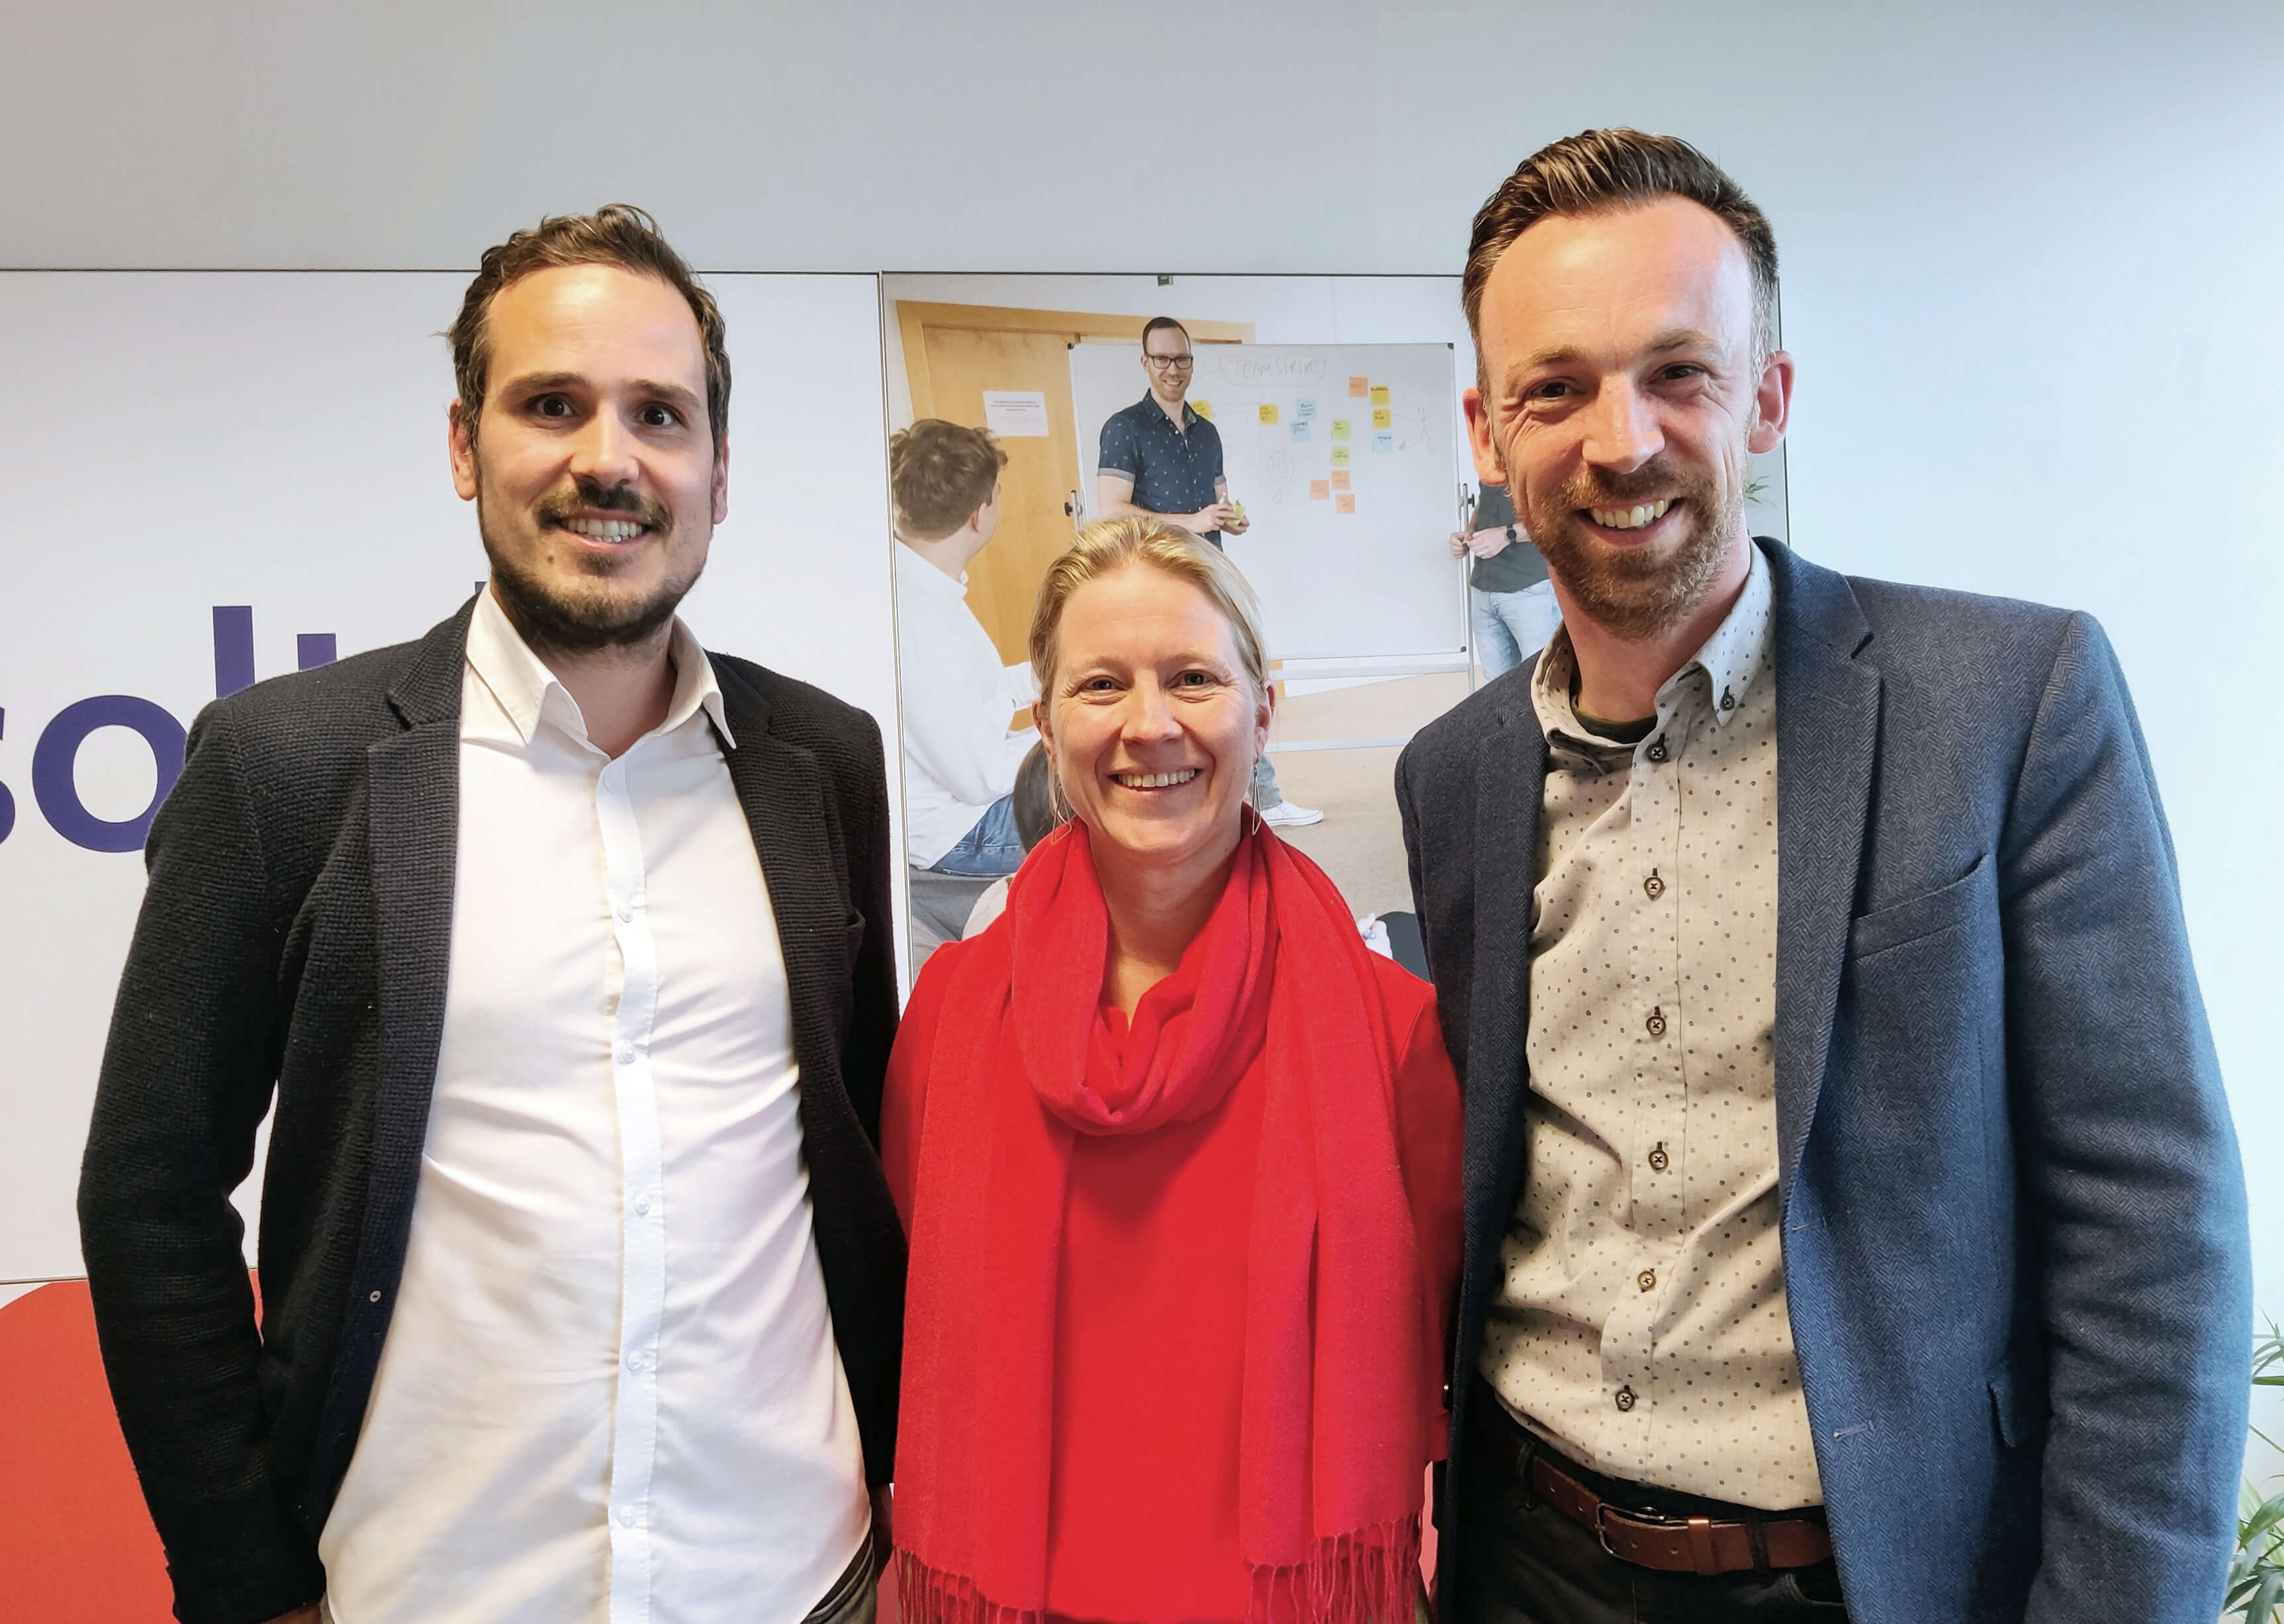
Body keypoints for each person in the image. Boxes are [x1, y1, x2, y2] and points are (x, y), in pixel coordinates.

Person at [1396, 130, 2248, 1623]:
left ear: (1769, 400)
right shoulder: (1452, 775)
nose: (1621, 438)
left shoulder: (2008, 699)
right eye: (1557, 387)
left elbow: (2152, 1247)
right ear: (1486, 428)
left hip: (1868, 1578)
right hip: (1526, 1562)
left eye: (1679, 373)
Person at [77, 206, 905, 1624]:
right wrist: (244, 1577)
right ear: (465, 445)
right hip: (424, 1589)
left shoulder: (822, 761)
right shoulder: (290, 767)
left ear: (718, 469)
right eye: (550, 405)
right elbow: (149, 1194)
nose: (609, 459)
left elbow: (861, 1136)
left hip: (799, 1574)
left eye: (661, 414)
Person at [882, 516, 1462, 1624]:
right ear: (1048, 730)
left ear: (1262, 710)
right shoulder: (954, 1018)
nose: (1150, 725)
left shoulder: (1396, 1038)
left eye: (1193, 677)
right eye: (1101, 684)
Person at [1097, 316, 1322, 827]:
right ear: (1145, 364)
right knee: (1181, 690)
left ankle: (1261, 796)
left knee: (1235, 679)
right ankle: (1194, 798)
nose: (1173, 369)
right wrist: (1190, 522)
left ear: (1192, 363)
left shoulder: (1207, 432)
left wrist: (1228, 518)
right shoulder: (1124, 427)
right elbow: (1111, 507)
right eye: (1162, 359)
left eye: (1182, 359)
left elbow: (1217, 500)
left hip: (1209, 576)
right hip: (1152, 583)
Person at [890, 418, 1037, 879]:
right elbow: (983, 778)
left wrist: (1056, 674)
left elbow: (976, 698)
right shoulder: (922, 623)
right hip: (961, 832)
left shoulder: (925, 590)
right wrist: (1072, 729)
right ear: (980, 512)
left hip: (962, 802)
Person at [1448, 480, 1559, 679]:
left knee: (1541, 686)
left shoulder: (1544, 456)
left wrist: (1508, 535)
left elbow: (1558, 517)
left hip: (1531, 590)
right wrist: (1470, 534)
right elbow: (1485, 501)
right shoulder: (1491, 458)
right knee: (1497, 692)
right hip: (1484, 588)